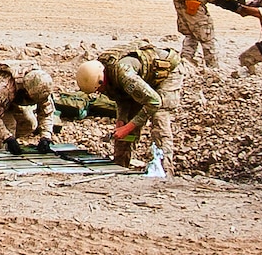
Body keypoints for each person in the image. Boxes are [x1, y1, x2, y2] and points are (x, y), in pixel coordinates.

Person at [75, 41, 184, 174]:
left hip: (167, 74)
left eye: (99, 89)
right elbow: (122, 97)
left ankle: (165, 171)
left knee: (159, 118)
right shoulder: (105, 72)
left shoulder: (124, 73)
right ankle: (120, 166)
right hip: (142, 80)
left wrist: (128, 127)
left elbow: (154, 102)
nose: (99, 93)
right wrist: (122, 121)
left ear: (101, 80)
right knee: (124, 125)